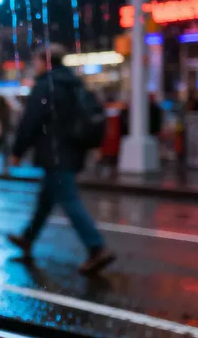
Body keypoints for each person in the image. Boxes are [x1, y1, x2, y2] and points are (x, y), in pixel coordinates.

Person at [7, 43, 116, 275]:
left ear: (45, 62)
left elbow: (30, 121)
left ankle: (96, 247)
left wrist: (17, 151)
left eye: (36, 61)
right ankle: (28, 238)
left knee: (68, 198)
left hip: (54, 153)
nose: (33, 66)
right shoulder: (74, 84)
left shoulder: (46, 86)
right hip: (73, 151)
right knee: (47, 198)